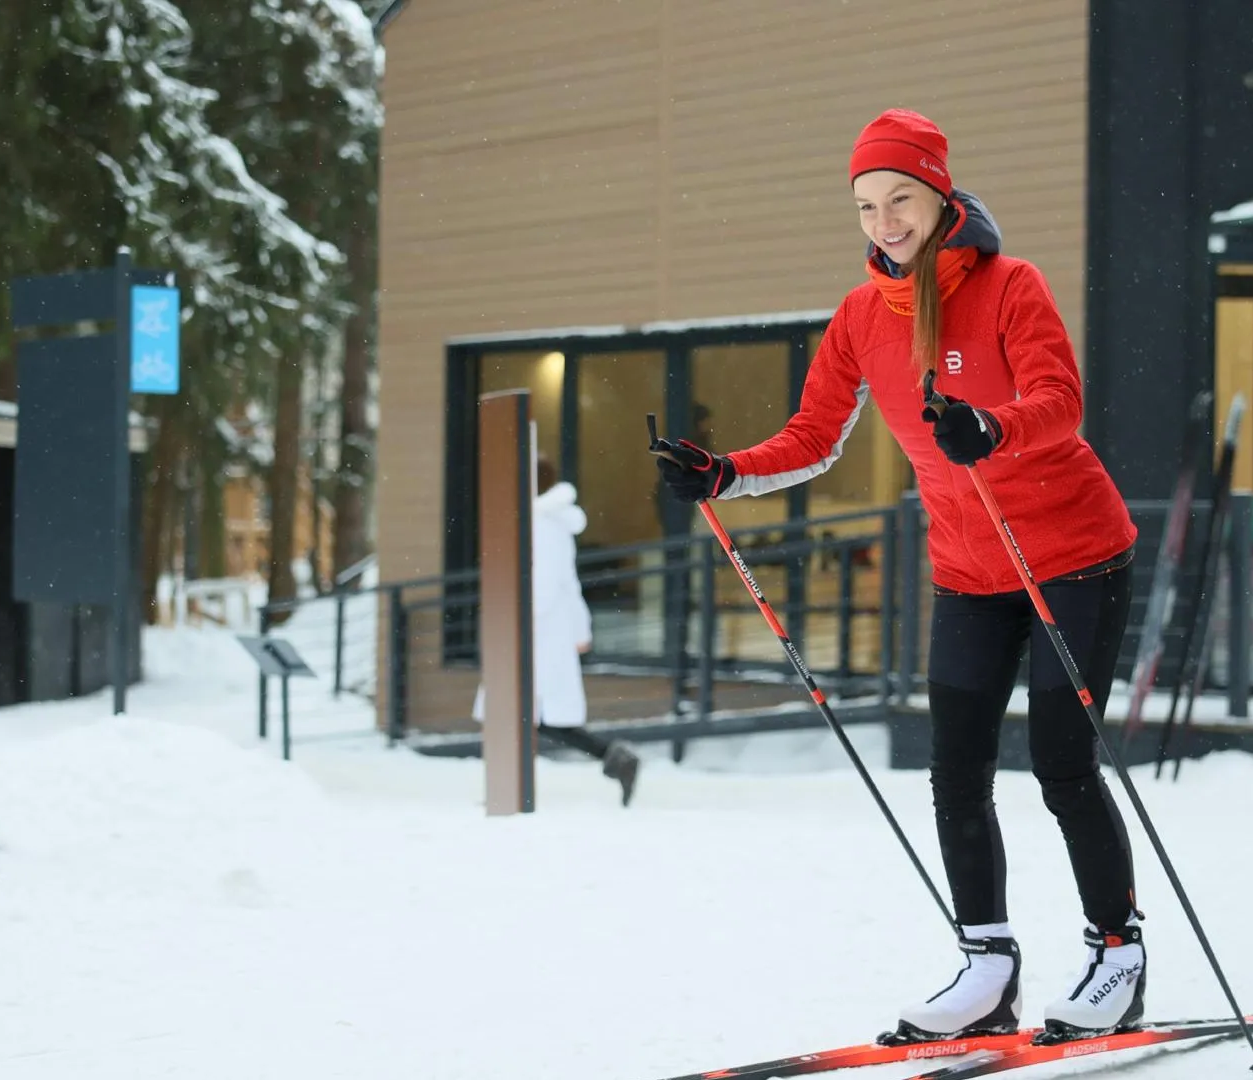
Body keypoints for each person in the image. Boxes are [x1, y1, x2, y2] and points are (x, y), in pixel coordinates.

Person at [652, 109, 1144, 1041]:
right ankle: (986, 966)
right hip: (969, 569)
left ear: (940, 195)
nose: (884, 221)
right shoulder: (859, 316)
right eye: (866, 205)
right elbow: (813, 437)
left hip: (1075, 555)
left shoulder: (1010, 286)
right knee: (953, 768)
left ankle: (1118, 954)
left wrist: (991, 427)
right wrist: (725, 472)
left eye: (901, 199)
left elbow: (1061, 403)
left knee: (1062, 764)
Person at [473, 456, 641, 806]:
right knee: (526, 713)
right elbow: (564, 584)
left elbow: (545, 586)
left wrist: (514, 622)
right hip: (542, 631)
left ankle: (508, 790)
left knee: (516, 711)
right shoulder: (544, 522)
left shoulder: (539, 524)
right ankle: (610, 758)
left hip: (534, 633)